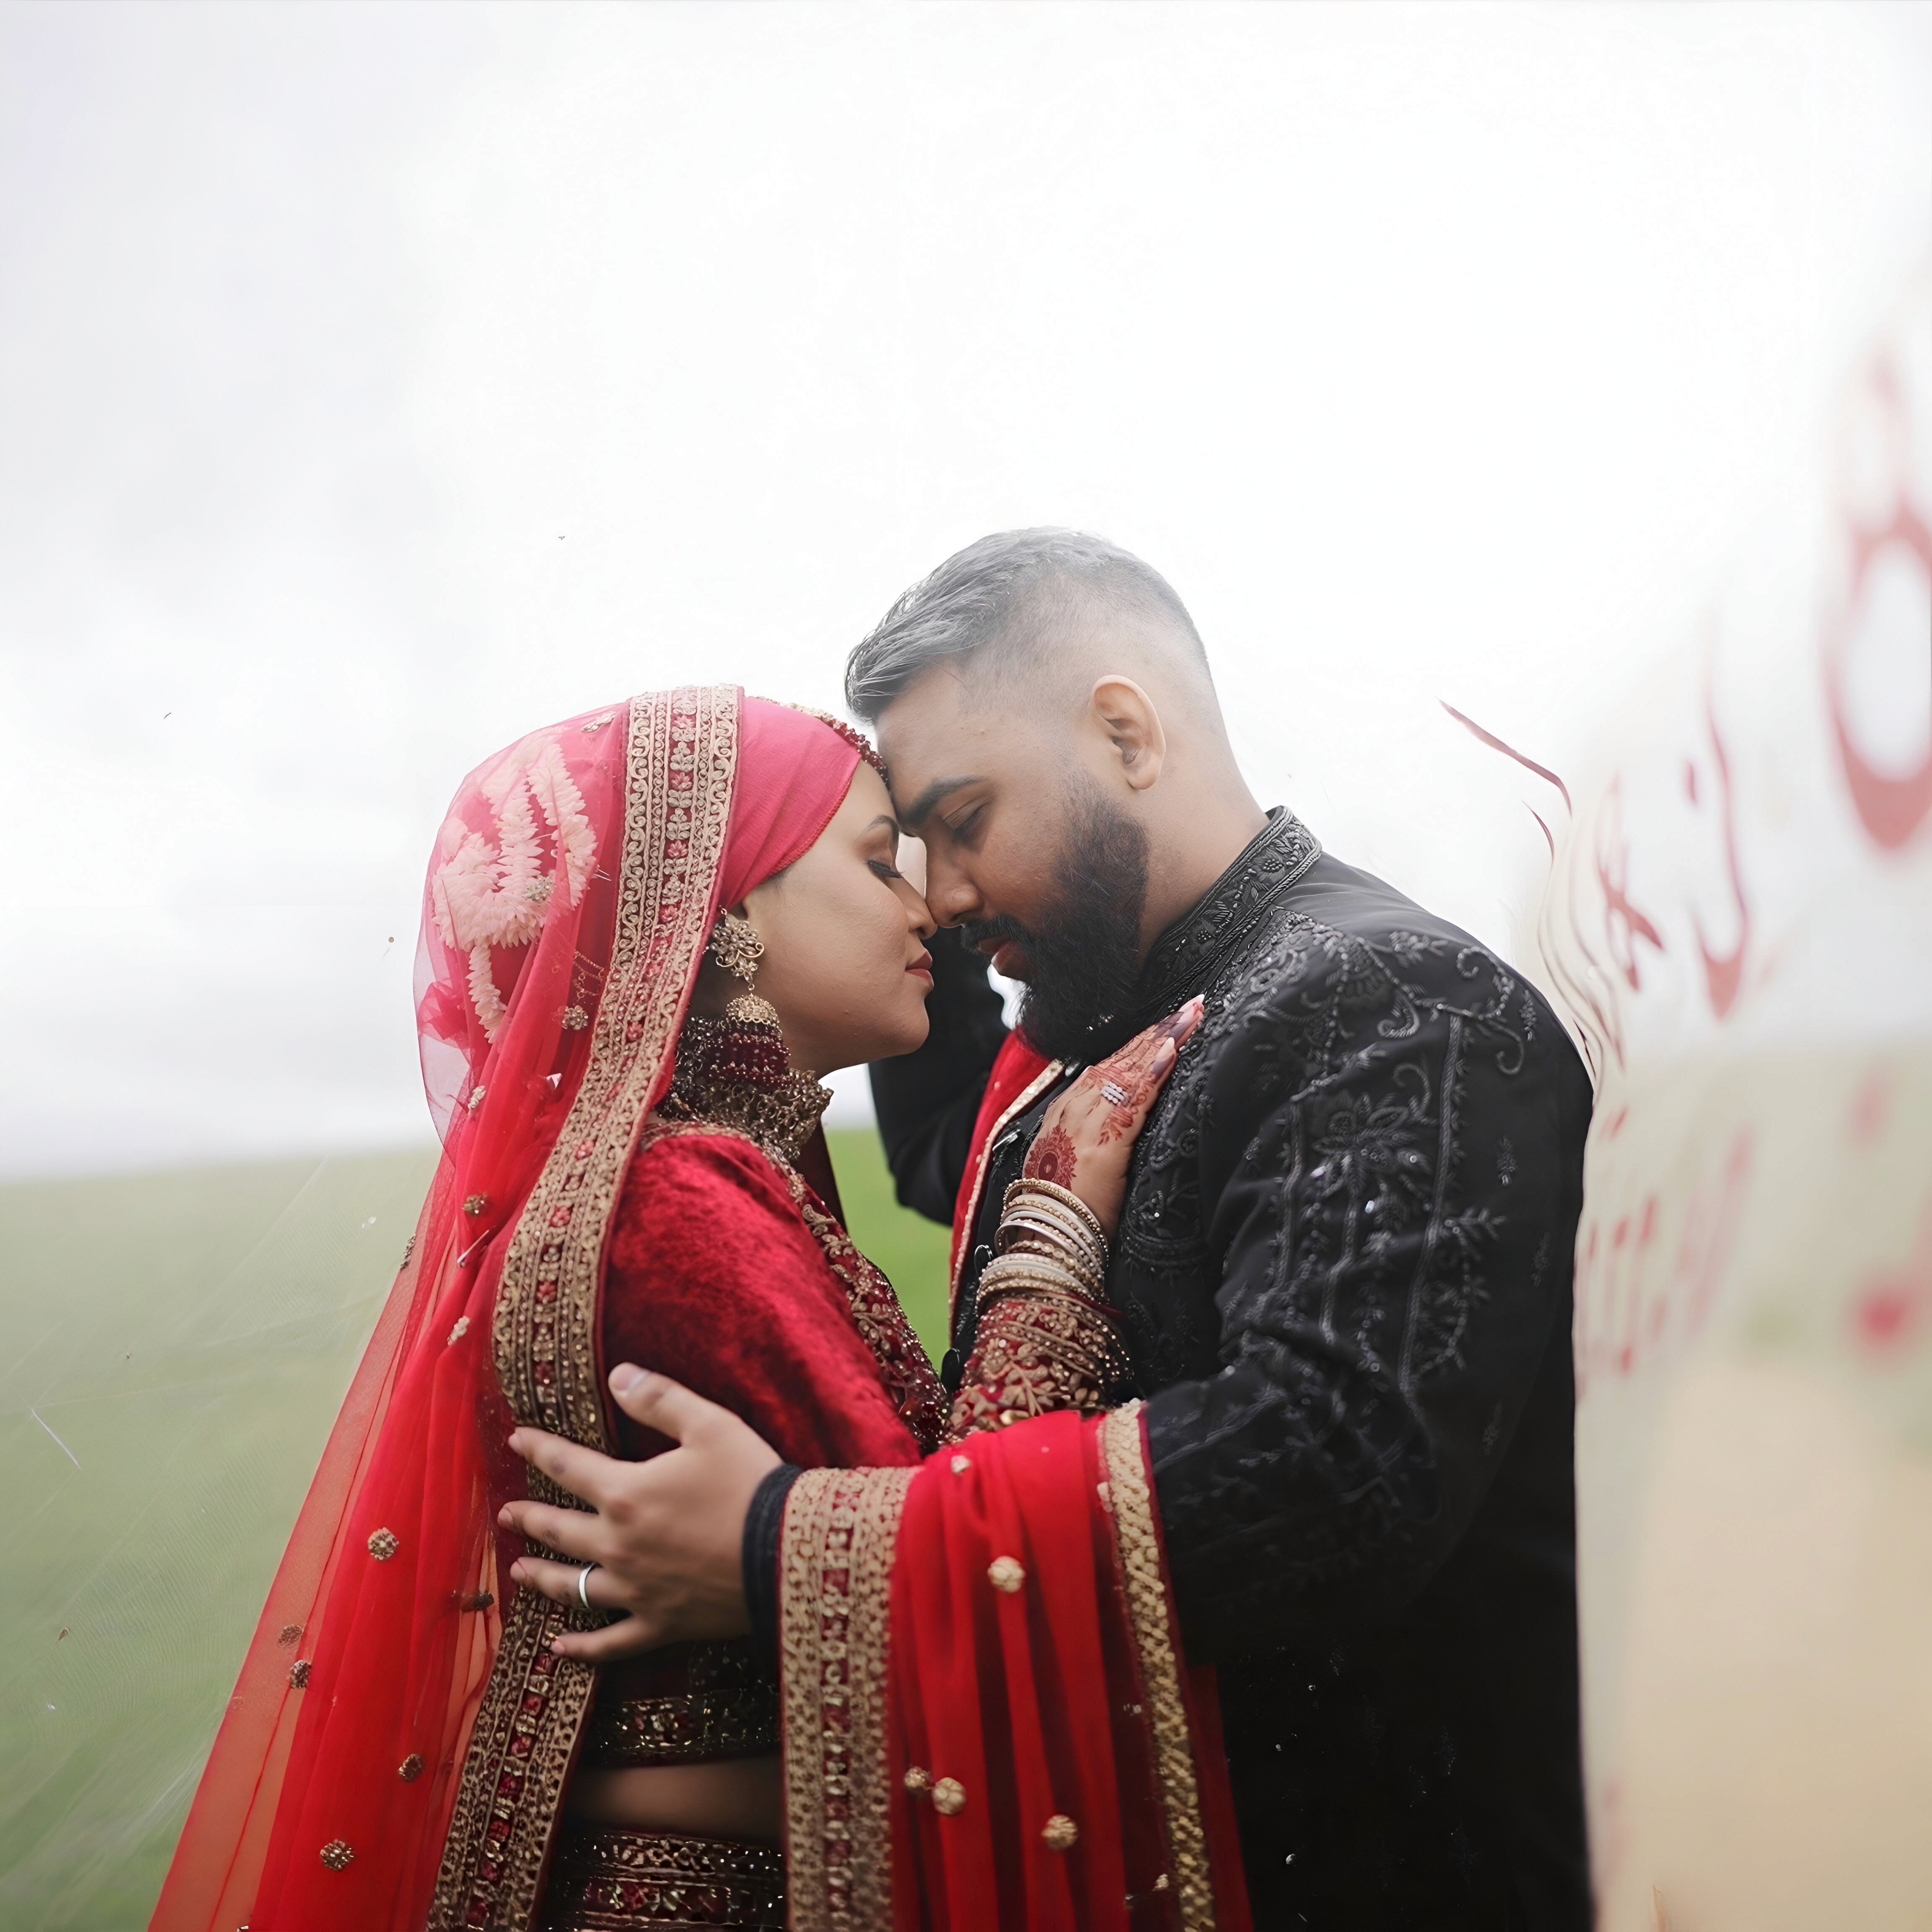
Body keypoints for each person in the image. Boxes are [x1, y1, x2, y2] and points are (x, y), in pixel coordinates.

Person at [503, 532, 1596, 1930]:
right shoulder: (1101, 1042)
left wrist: (782, 1545)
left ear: (1127, 733)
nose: (946, 899)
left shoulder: (1384, 1001)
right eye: (911, 847)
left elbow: (1330, 1469)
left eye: (964, 819)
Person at [148, 686, 1223, 1932]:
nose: (927, 905)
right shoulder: (678, 1208)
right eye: (880, 863)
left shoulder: (659, 1181)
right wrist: (1054, 1231)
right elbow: (957, 1576)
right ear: (722, 914)